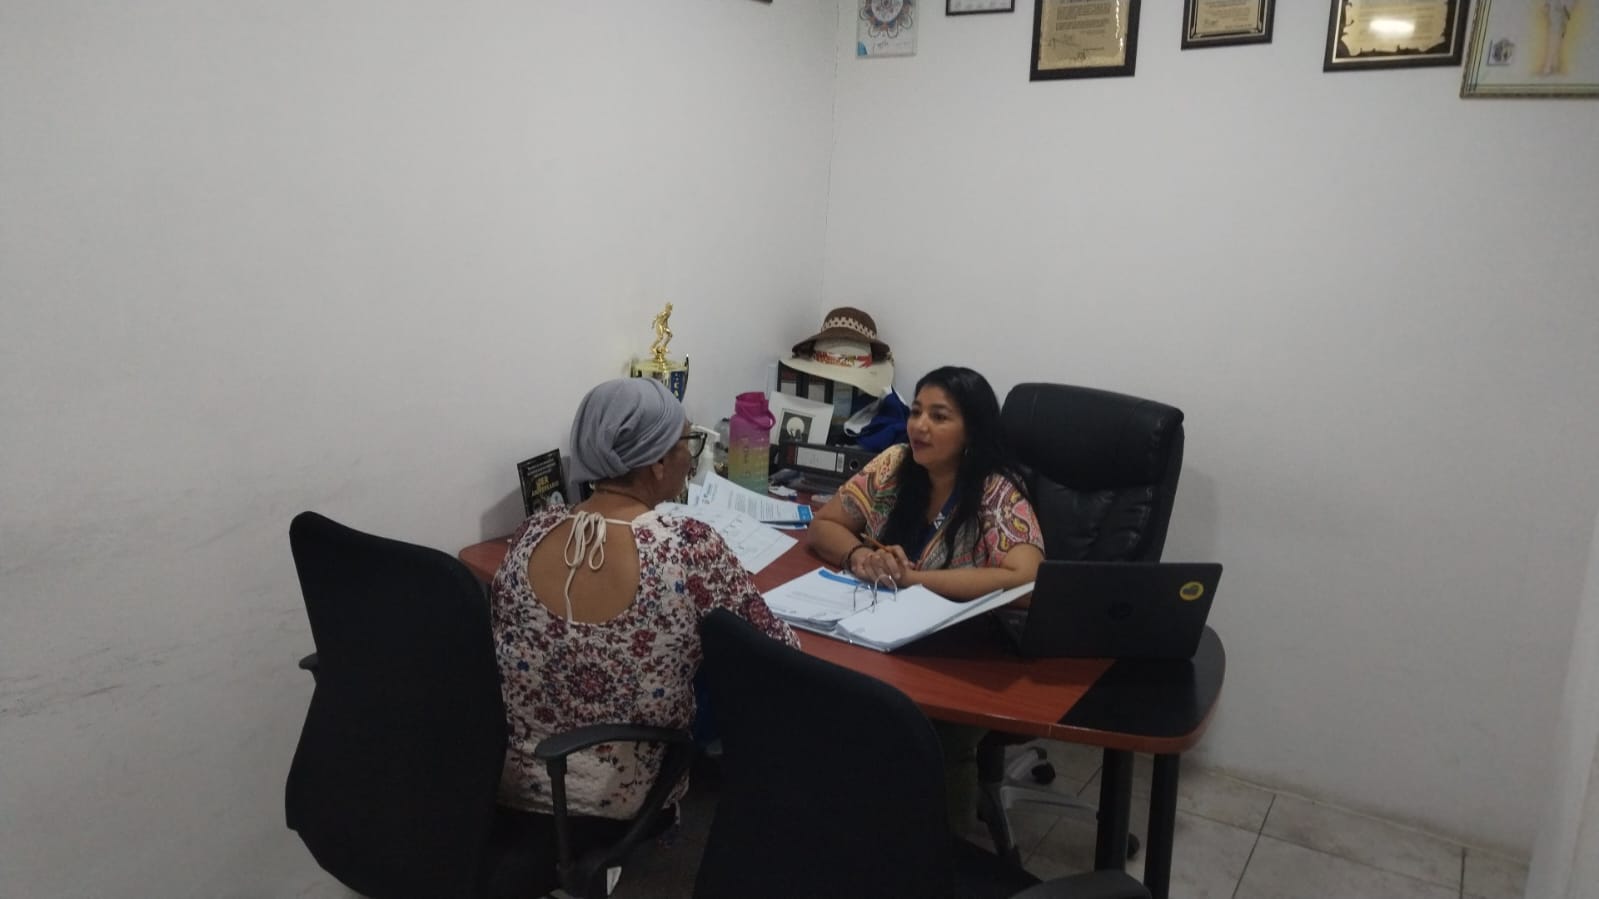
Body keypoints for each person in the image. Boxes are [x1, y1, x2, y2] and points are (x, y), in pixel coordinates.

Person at [491, 377, 798, 826]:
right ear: (657, 462)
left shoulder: (532, 531)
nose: (689, 458)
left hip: (506, 780)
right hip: (613, 800)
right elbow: (779, 652)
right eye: (687, 443)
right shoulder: (687, 547)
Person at [806, 365, 1045, 830]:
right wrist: (860, 556)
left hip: (963, 654)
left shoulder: (995, 489)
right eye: (916, 412)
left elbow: (1027, 579)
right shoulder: (895, 464)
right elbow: (824, 525)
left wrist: (914, 579)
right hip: (882, 635)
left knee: (937, 735)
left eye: (939, 416)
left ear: (971, 430)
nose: (919, 426)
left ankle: (945, 853)